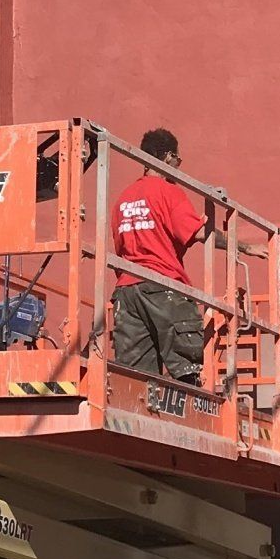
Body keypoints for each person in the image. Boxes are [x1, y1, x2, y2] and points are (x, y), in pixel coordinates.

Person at [110, 127, 208, 382]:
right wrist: (243, 246)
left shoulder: (123, 199)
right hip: (161, 286)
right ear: (166, 157)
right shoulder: (168, 191)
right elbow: (197, 233)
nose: (178, 166)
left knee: (135, 379)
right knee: (187, 367)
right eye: (177, 159)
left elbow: (120, 246)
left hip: (127, 292)